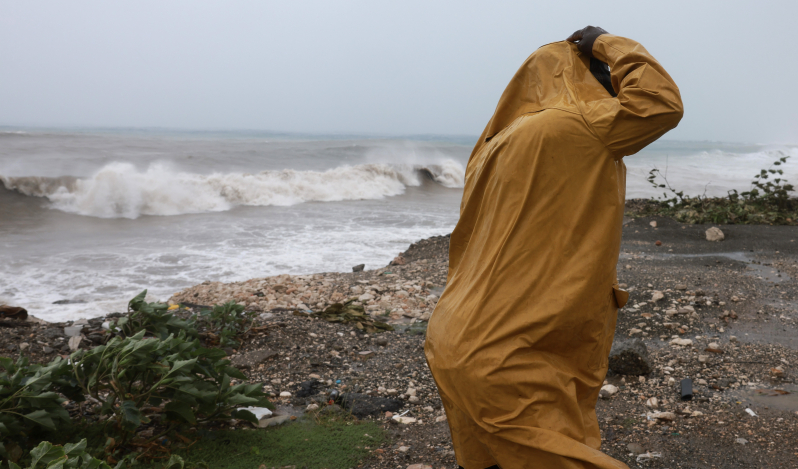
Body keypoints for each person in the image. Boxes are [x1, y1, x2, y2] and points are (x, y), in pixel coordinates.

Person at [424, 26, 683, 469]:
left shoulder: (491, 148)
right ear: (579, 75)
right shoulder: (581, 124)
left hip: (452, 336)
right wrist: (603, 41)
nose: (611, 85)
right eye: (605, 76)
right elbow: (659, 102)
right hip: (506, 351)